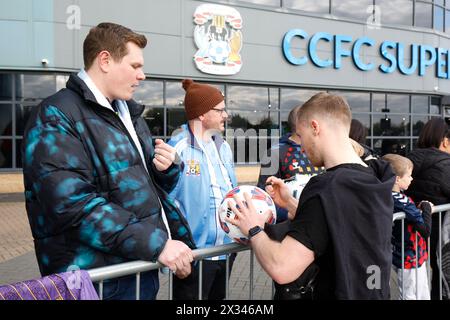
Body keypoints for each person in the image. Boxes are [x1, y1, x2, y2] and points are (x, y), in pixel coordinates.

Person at [22, 22, 195, 300]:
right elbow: (72, 207)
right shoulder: (55, 116)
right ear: (105, 60)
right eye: (135, 66)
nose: (142, 75)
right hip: (96, 281)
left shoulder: (128, 114)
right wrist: (156, 244)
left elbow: (140, 185)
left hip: (137, 266)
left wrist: (167, 169)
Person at [226, 92, 395, 299]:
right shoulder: (376, 177)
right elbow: (342, 224)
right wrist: (291, 205)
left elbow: (282, 267)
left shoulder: (326, 188)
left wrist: (254, 229)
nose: (302, 147)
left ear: (315, 127)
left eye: (300, 134)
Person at [168, 79, 237, 300]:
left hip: (226, 251)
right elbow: (164, 203)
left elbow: (230, 190)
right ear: (201, 115)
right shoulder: (177, 148)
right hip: (194, 256)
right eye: (220, 110)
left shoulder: (223, 146)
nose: (226, 115)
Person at [405, 117, 450, 299]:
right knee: (440, 276)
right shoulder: (445, 163)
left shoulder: (409, 160)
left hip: (413, 233)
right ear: (445, 141)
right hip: (440, 235)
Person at [257, 105, 324, 222]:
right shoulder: (274, 153)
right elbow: (263, 198)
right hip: (291, 229)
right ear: (302, 123)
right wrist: (289, 214)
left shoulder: (321, 149)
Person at [382, 153, 433, 300]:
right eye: (409, 175)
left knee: (422, 293)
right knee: (411, 295)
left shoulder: (390, 196)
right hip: (409, 258)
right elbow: (425, 230)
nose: (412, 179)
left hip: (413, 255)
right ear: (397, 179)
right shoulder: (399, 201)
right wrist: (427, 208)